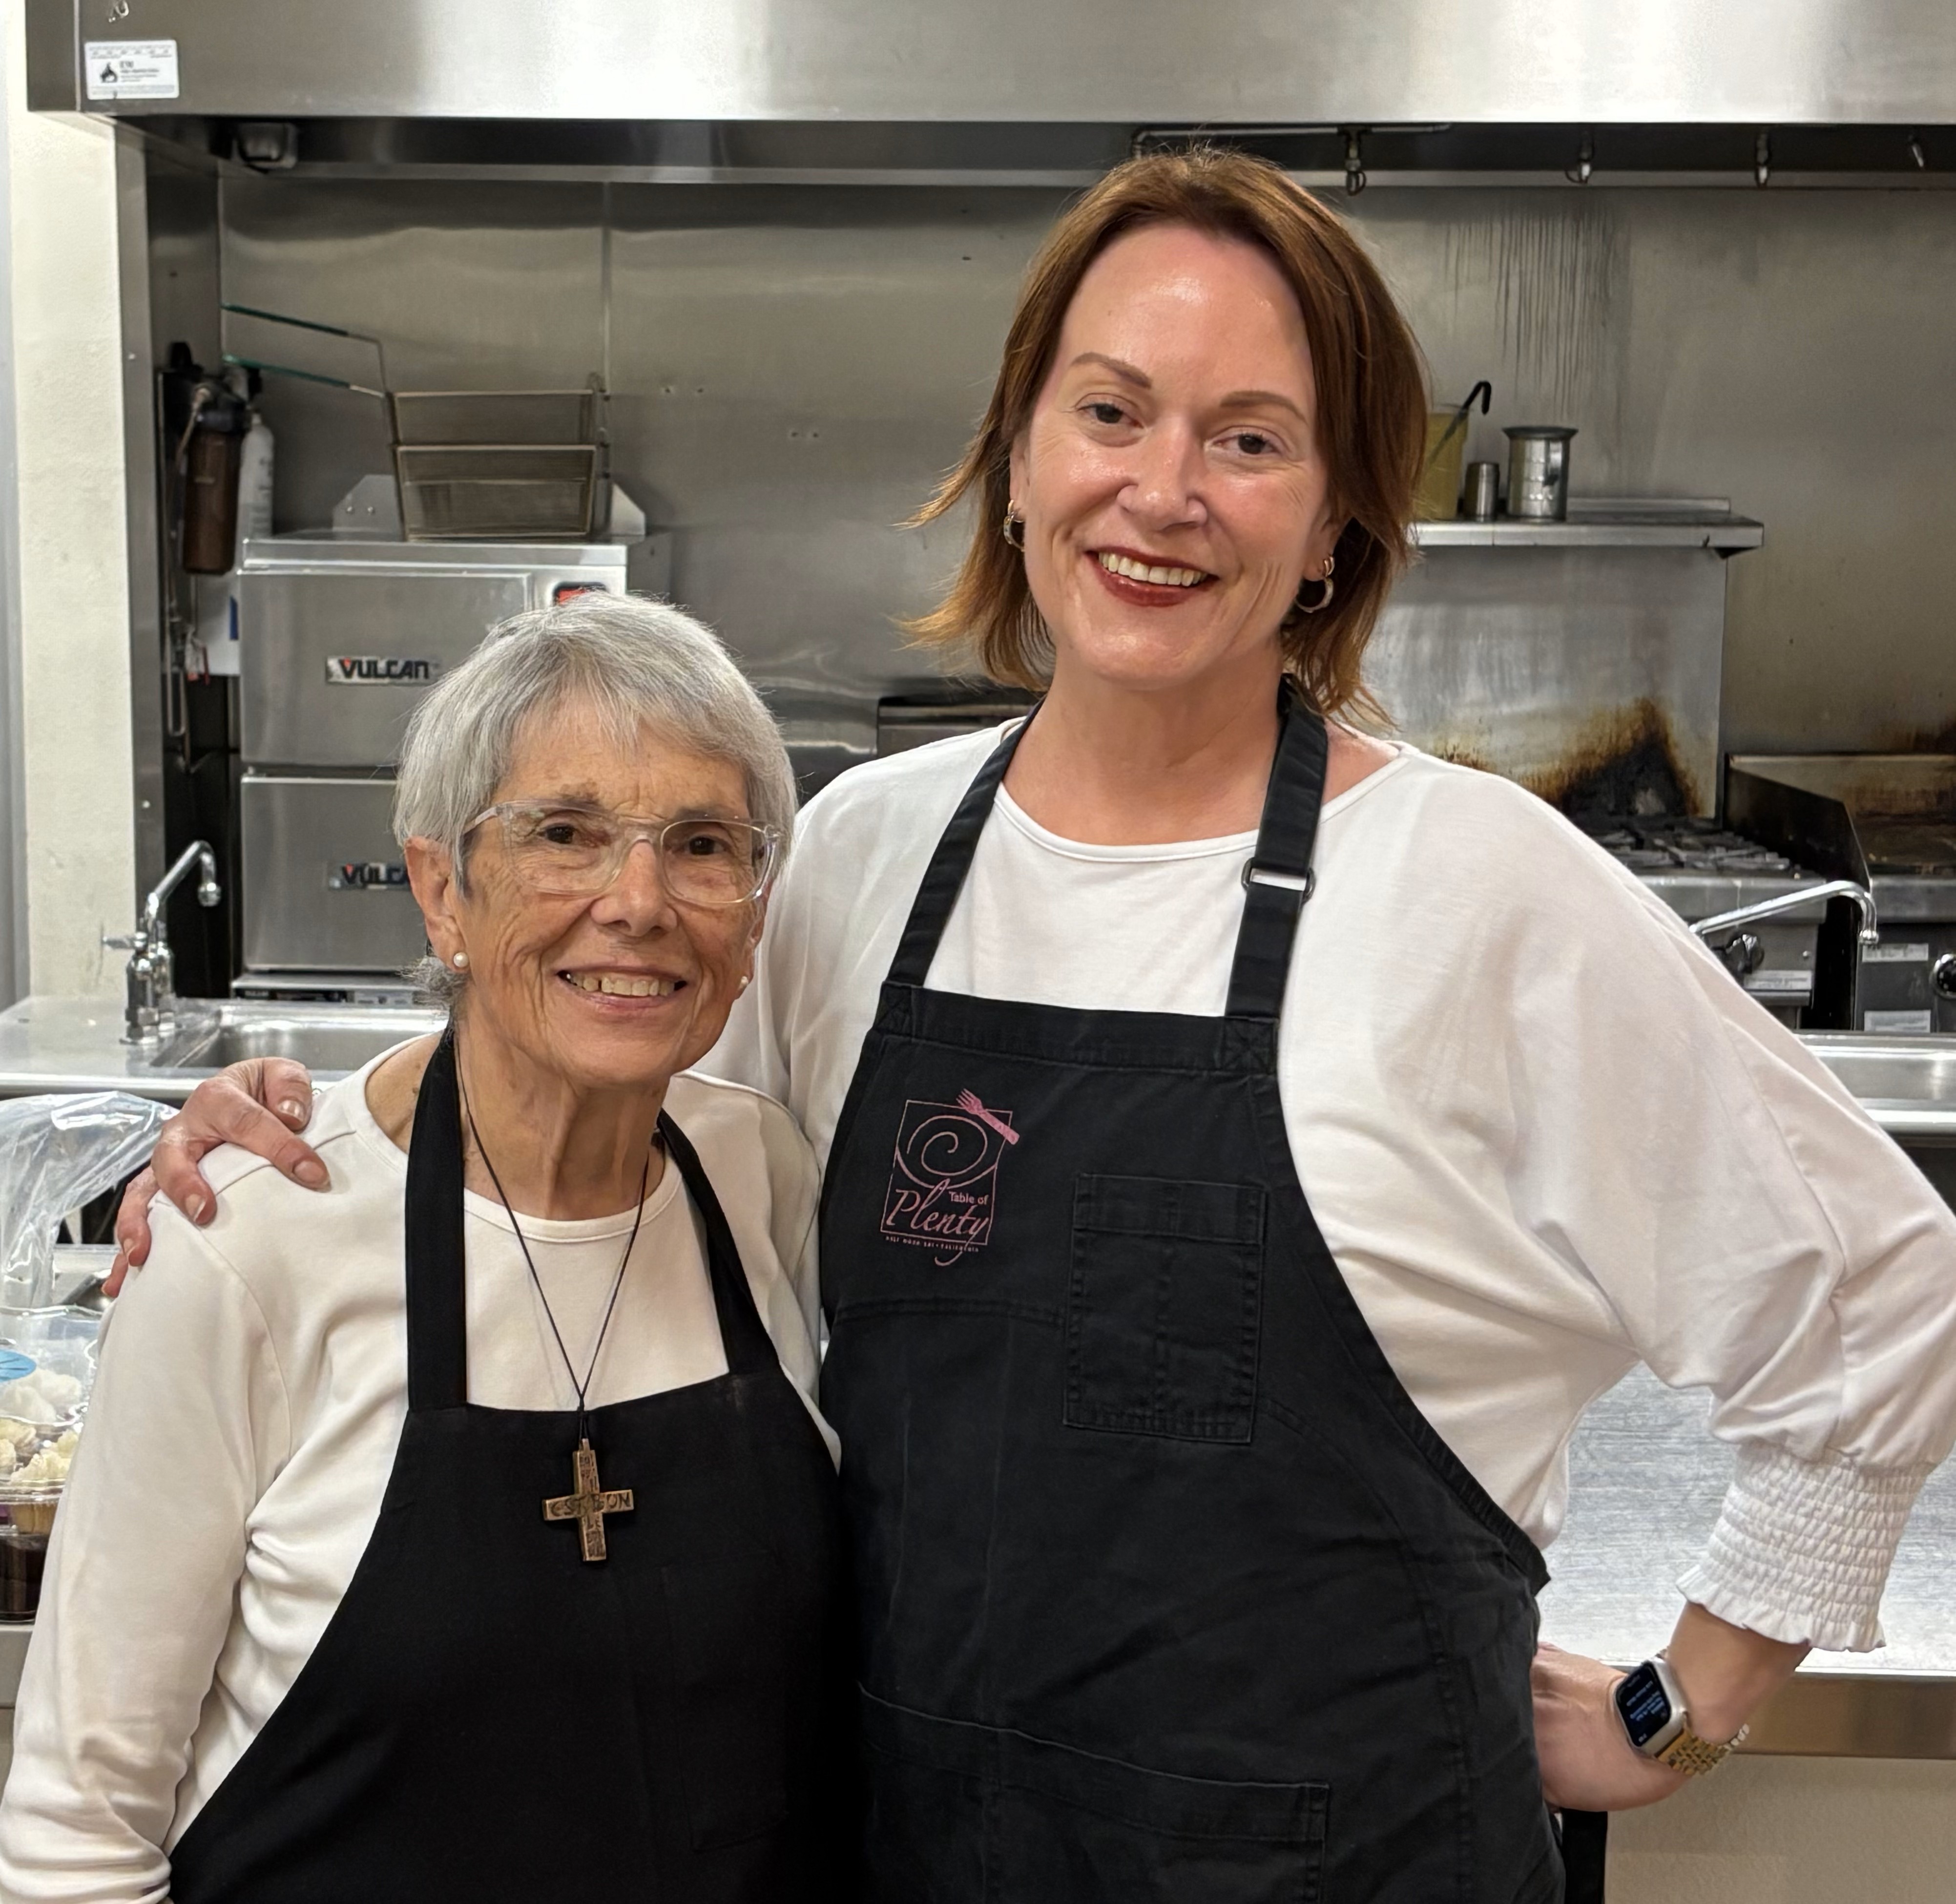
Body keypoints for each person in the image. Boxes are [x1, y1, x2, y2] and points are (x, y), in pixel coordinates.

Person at [116, 150, 1956, 1901]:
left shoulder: (1478, 892)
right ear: (1013, 460)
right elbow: (635, 1189)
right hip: (908, 1848)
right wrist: (310, 1150)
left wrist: (1683, 1704)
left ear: (1332, 524)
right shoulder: (862, 856)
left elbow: (1879, 1295)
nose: (1165, 491)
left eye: (1251, 440)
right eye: (1110, 411)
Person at [2, 598, 851, 1903]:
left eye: (700, 845)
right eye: (564, 834)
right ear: (444, 887)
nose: (638, 902)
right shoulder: (250, 1242)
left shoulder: (762, 1176)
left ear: (751, 917)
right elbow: (79, 1822)